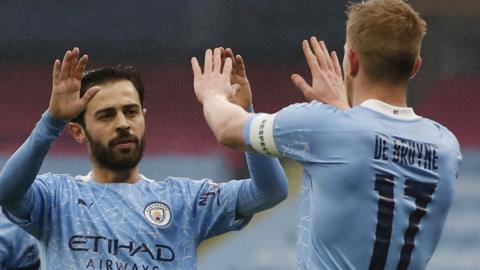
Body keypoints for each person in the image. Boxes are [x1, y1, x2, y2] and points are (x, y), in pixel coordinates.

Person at [191, 0, 462, 269]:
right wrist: (343, 112)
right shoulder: (447, 147)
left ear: (352, 61)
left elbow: (227, 129)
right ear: (415, 66)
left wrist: (213, 93)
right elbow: (378, 157)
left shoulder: (323, 126)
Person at [0, 48, 288, 269]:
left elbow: (270, 191)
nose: (123, 123)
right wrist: (51, 122)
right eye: (106, 115)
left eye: (131, 111)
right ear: (77, 131)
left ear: (143, 118)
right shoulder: (55, 197)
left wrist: (246, 116)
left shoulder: (186, 200)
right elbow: (7, 191)